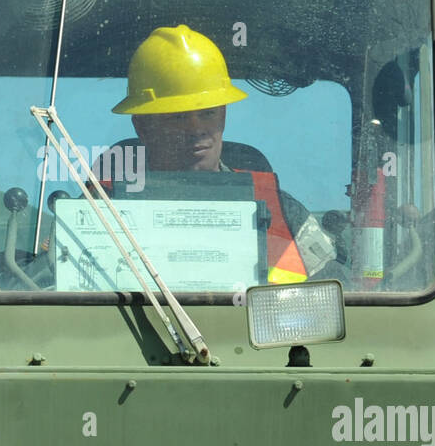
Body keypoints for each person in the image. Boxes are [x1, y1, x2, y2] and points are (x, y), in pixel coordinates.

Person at [108, 24, 340, 282]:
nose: (197, 129)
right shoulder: (101, 215)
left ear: (224, 115)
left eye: (208, 113)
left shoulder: (284, 216)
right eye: (178, 116)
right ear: (142, 126)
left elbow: (340, 302)